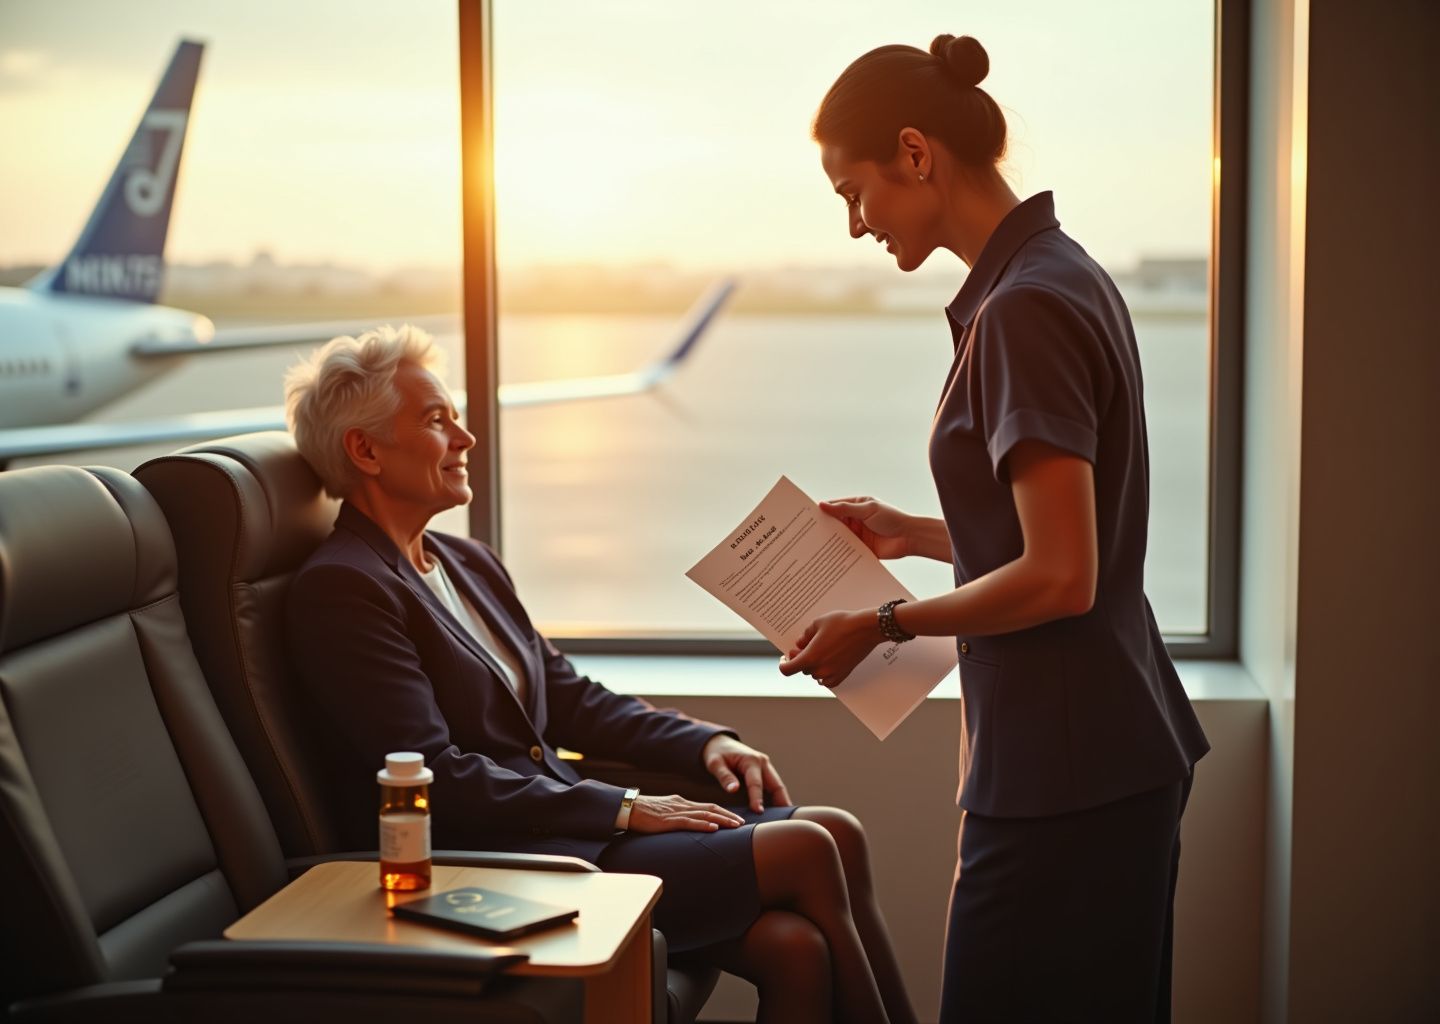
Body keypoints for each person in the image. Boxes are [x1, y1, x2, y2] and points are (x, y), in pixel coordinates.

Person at [283, 325, 914, 1024]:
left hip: (564, 831)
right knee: (808, 844)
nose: (464, 439)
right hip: (498, 860)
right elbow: (434, 776)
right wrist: (622, 806)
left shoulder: (467, 565)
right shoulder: (344, 589)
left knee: (800, 933)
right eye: (437, 421)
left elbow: (569, 698)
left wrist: (703, 743)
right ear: (364, 449)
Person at [780, 33, 1212, 1023]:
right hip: (1095, 749)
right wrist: (916, 531)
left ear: (916, 152)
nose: (855, 225)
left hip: (1067, 773)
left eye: (855, 192)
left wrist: (884, 624)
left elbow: (1061, 574)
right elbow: (1062, 537)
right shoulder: (1061, 273)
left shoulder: (1023, 308)